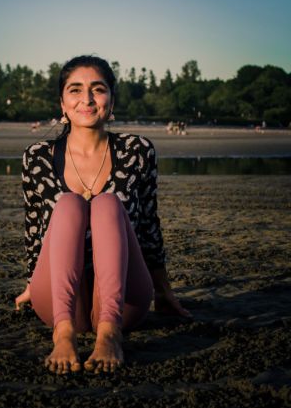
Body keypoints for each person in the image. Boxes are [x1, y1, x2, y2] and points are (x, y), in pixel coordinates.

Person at [15, 55, 191, 375]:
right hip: (59, 302)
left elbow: (149, 224)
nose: (87, 99)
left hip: (123, 301)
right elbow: (34, 229)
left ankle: (109, 335)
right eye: (75, 90)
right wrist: (32, 283)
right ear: (63, 103)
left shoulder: (137, 151)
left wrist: (164, 292)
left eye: (98, 89)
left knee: (108, 203)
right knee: (69, 204)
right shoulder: (37, 157)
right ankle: (64, 335)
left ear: (111, 99)